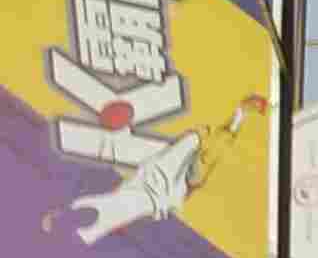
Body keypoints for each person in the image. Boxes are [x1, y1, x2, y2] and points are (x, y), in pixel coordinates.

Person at [42, 89, 266, 246]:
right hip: (168, 196)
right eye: (58, 222)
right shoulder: (88, 233)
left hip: (156, 172)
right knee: (211, 155)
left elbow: (112, 195)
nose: (59, 219)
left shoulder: (80, 205)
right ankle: (242, 113)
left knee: (202, 135)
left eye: (57, 218)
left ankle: (236, 116)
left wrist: (53, 220)